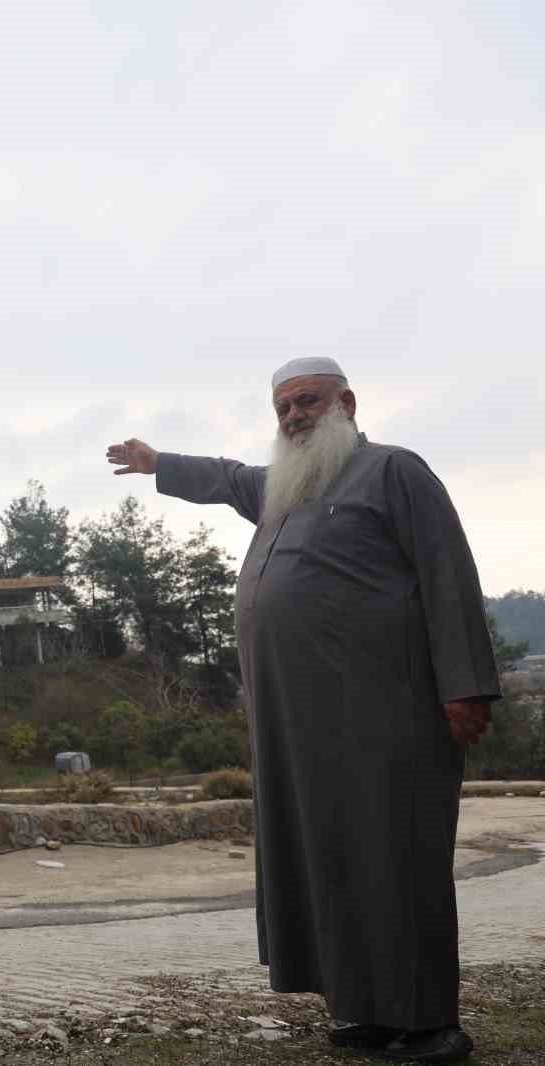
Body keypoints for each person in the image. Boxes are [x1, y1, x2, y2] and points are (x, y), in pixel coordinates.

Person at [106, 357, 498, 1064]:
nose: (294, 416)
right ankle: (366, 1011)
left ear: (345, 402)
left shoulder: (393, 472)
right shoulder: (287, 492)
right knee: (333, 868)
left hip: (390, 719)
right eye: (283, 406)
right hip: (303, 733)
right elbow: (227, 478)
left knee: (397, 862)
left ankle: (432, 1023)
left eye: (307, 401)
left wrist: (465, 687)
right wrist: (157, 462)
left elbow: (448, 574)